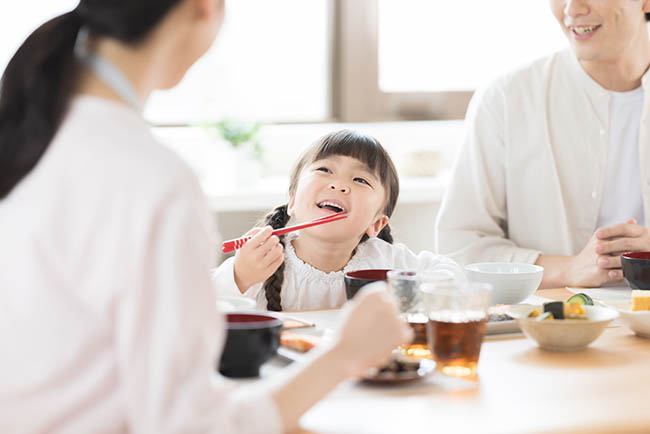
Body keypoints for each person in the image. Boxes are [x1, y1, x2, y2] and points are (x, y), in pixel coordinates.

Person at [0, 1, 413, 433]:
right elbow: (191, 425)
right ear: (203, 8)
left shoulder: (33, 138)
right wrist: (344, 356)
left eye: (361, 180)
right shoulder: (153, 182)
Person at [435, 0, 650, 289]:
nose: (572, 9)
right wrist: (568, 270)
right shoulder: (507, 98)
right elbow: (459, 249)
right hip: (545, 325)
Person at [213, 130, 462, 311]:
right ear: (292, 200)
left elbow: (454, 276)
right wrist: (240, 275)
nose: (339, 185)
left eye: (360, 180)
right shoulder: (265, 260)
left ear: (376, 224)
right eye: (324, 170)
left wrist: (406, 286)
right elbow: (199, 304)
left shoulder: (386, 261)